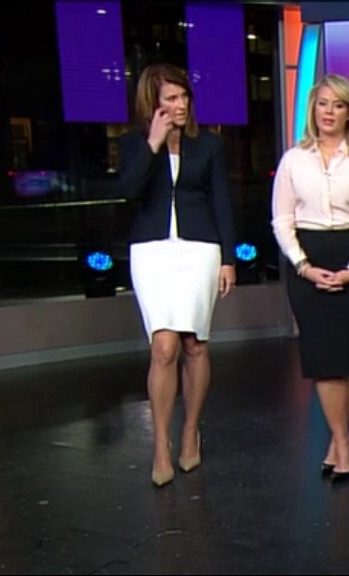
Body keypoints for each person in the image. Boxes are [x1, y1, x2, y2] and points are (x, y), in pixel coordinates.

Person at [118, 63, 237, 487]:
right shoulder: (133, 144)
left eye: (184, 96)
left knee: (194, 345)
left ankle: (190, 431)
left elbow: (221, 201)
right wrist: (153, 144)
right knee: (164, 347)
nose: (180, 104)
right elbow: (128, 191)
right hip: (152, 252)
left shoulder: (209, 145)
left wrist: (228, 259)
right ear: (152, 103)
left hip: (199, 249)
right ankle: (160, 447)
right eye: (171, 98)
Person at [270, 74, 349, 483]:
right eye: (323, 104)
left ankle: (339, 442)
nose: (329, 113)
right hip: (308, 261)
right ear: (312, 109)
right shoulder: (293, 160)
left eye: (338, 105)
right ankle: (341, 441)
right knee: (324, 362)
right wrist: (303, 265)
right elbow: (282, 220)